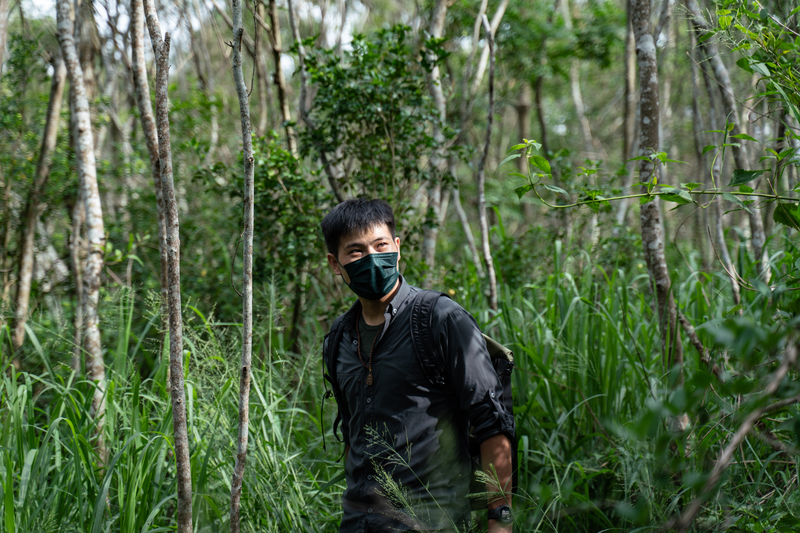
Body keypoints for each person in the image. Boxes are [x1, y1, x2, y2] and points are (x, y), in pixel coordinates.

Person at [321, 198, 515, 533]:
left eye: (380, 245)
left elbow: (492, 423)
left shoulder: (439, 319)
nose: (371, 258)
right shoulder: (338, 339)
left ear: (397, 248)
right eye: (355, 251)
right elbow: (354, 433)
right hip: (358, 524)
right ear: (335, 264)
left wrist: (500, 523)